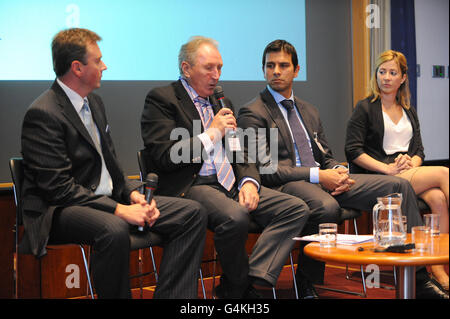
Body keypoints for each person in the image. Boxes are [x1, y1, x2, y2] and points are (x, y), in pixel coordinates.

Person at [237, 39, 448, 299]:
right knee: (326, 206)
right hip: (289, 183)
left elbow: (326, 156)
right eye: (270, 66)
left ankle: (418, 279)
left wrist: (337, 171)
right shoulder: (252, 112)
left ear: (297, 70)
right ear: (263, 70)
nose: (276, 71)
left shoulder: (309, 111)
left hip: (324, 179)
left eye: (283, 65)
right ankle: (306, 282)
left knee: (399, 186)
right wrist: (319, 175)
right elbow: (268, 170)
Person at [20, 28, 207, 299]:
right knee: (114, 228)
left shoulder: (94, 103)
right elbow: (58, 189)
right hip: (60, 210)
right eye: (98, 61)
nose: (104, 66)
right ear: (77, 68)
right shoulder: (43, 113)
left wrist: (133, 196)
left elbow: (112, 166)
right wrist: (120, 210)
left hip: (105, 201)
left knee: (192, 213)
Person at [140, 36, 310, 298]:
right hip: (194, 184)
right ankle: (239, 289)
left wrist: (250, 183)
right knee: (235, 217)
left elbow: (240, 150)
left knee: (295, 208)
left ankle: (249, 281)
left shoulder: (222, 102)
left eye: (219, 68)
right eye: (209, 68)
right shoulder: (163, 99)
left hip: (230, 183)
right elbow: (165, 155)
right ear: (186, 69)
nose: (216, 75)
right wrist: (211, 133)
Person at [345, 49, 449, 293]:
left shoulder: (409, 110)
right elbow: (353, 151)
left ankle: (437, 267)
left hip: (408, 171)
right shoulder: (365, 108)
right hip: (381, 176)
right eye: (382, 72)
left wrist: (413, 162)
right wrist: (388, 169)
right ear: (376, 75)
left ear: (403, 78)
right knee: (445, 173)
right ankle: (431, 270)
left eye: (393, 73)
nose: (386, 77)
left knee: (439, 199)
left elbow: (420, 149)